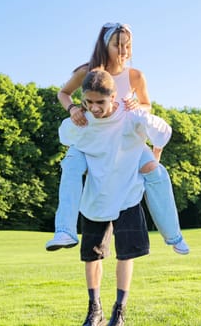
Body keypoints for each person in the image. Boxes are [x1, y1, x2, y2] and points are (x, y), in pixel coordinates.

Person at [46, 22, 189, 254]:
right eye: (117, 45)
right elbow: (63, 93)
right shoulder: (87, 72)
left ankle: (174, 236)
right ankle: (64, 230)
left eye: (127, 45)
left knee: (156, 172)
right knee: (71, 165)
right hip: (91, 138)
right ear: (105, 45)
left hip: (125, 139)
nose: (123, 51)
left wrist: (138, 105)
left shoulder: (135, 76)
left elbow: (146, 105)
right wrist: (73, 109)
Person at [59, 69, 175, 325]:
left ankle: (119, 310)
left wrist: (154, 153)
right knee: (92, 255)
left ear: (114, 97)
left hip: (127, 194)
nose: (94, 107)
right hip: (97, 197)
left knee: (126, 253)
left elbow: (155, 130)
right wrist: (73, 111)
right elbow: (72, 142)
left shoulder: (129, 116)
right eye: (88, 102)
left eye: (100, 102)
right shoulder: (84, 120)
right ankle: (94, 309)